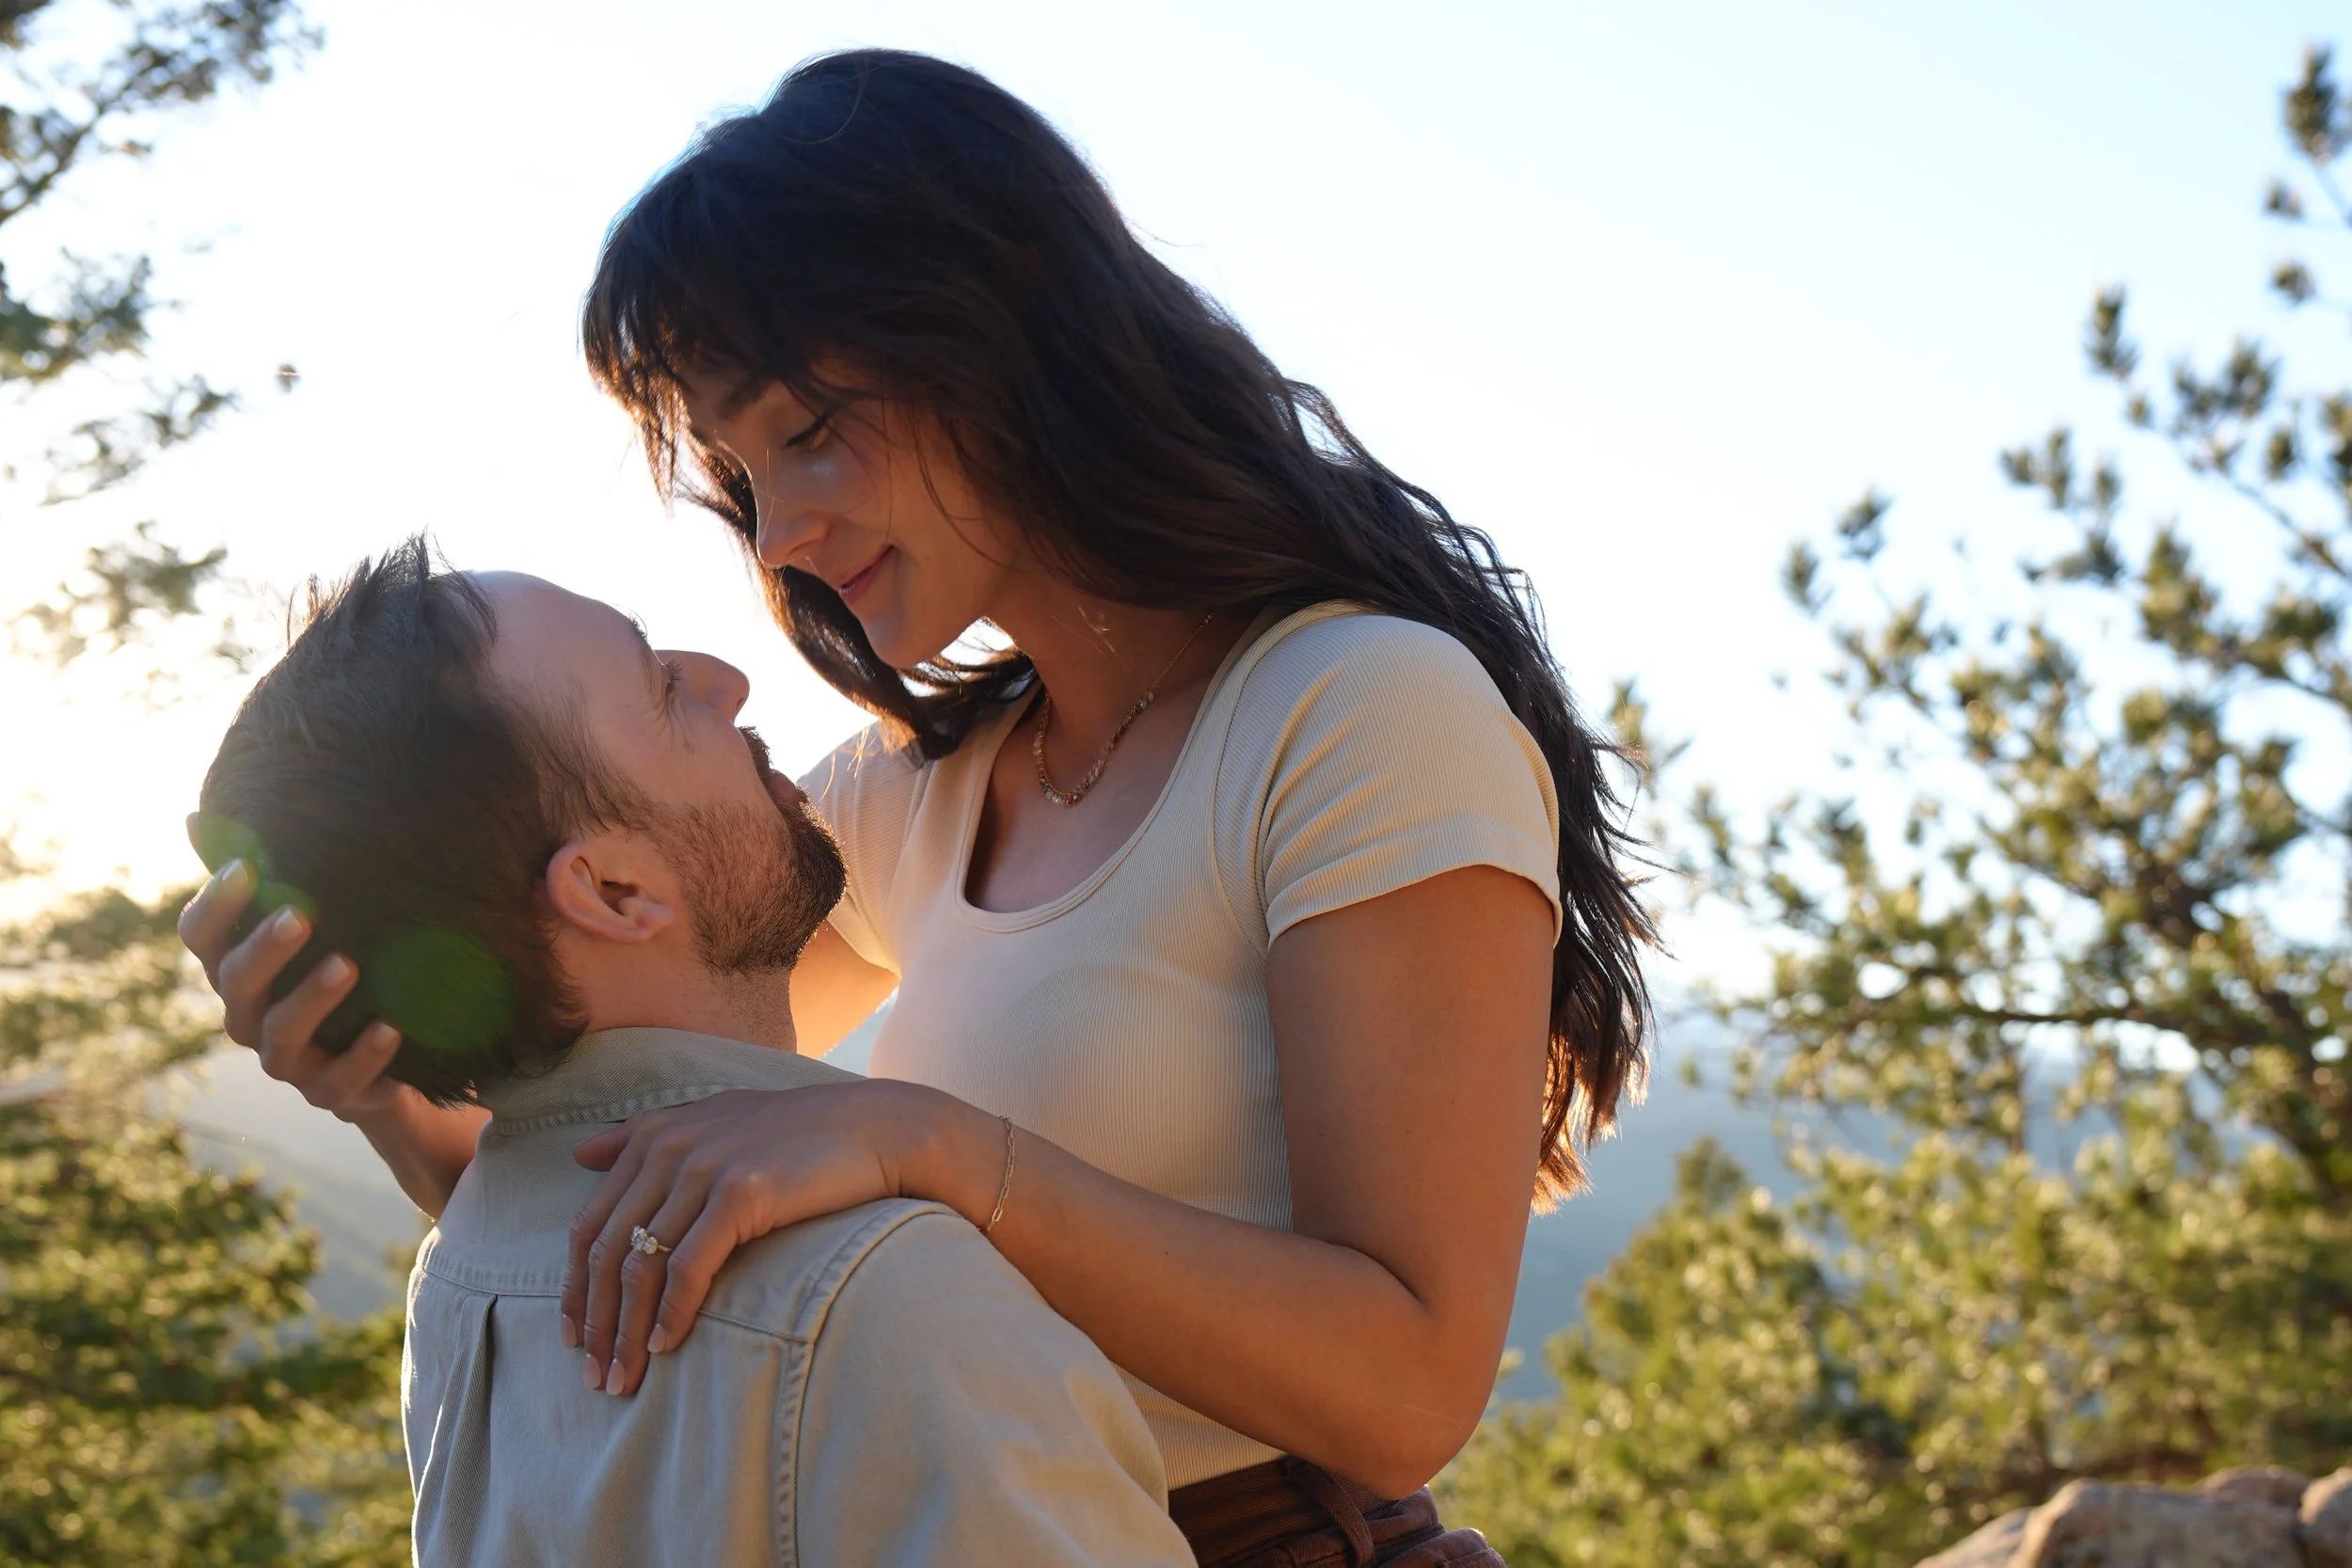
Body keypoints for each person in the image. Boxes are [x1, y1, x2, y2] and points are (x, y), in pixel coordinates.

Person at [181, 49, 1657, 1566]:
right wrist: (370, 1064)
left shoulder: (1354, 711)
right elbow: (633, 1162)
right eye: (747, 476)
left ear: (1001, 342)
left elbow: (1406, 1387)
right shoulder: (910, 795)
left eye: (810, 433)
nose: (784, 537)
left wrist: (934, 1146)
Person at [188, 540, 1194, 1568]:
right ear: (615, 891)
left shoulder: (463, 1278)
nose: (728, 678)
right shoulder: (890, 1299)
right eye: (663, 689)